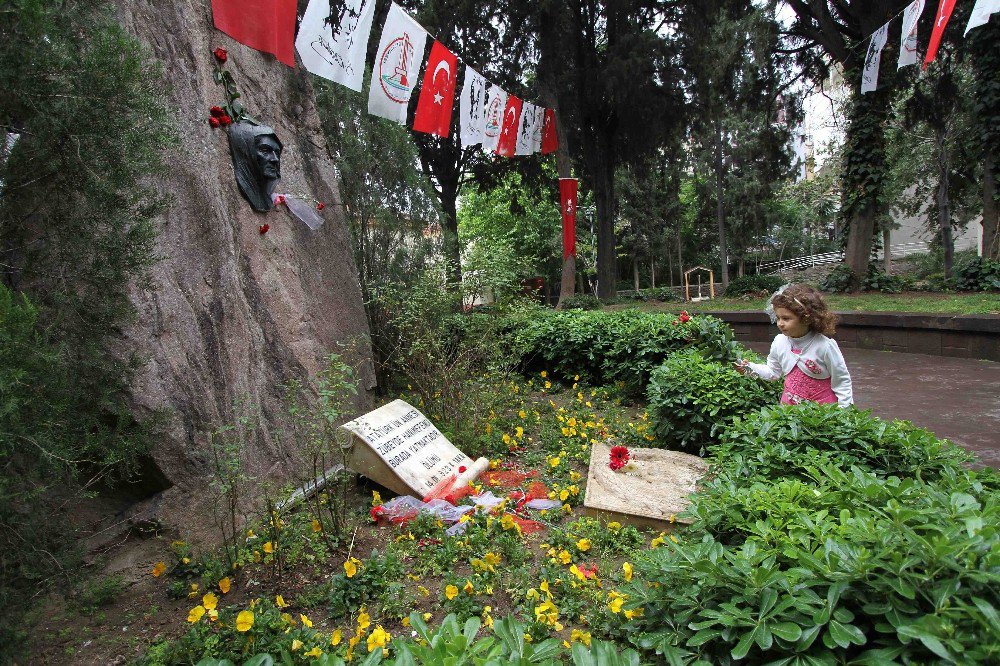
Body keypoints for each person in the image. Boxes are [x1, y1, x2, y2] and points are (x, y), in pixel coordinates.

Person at [737, 283, 853, 407]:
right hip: (790, 410)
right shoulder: (779, 342)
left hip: (821, 412)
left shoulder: (824, 346)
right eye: (778, 318)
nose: (780, 323)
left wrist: (844, 412)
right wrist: (749, 368)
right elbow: (773, 372)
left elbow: (842, 381)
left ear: (806, 319)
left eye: (786, 318)